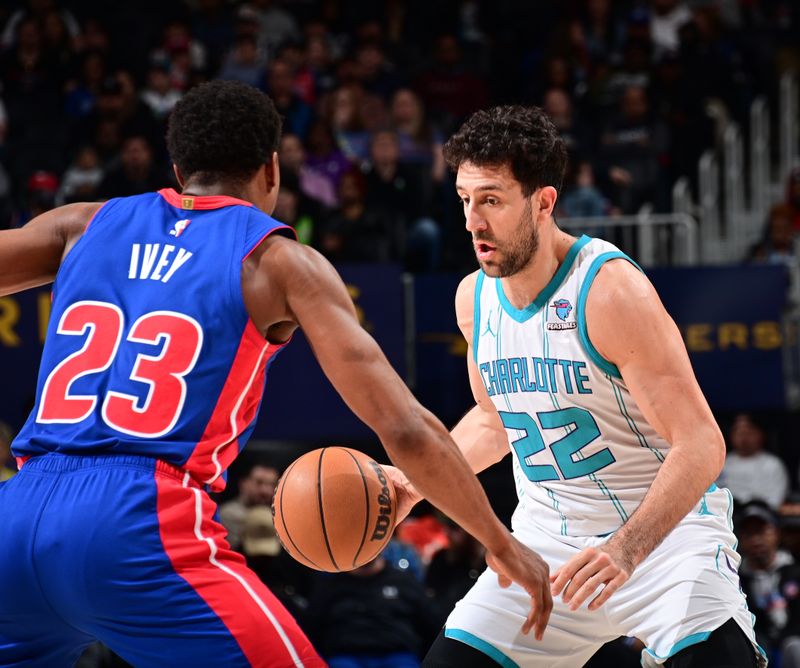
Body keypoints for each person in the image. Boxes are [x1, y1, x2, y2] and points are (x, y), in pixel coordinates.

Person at [0, 80, 551, 667]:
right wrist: (499, 540)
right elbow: (407, 429)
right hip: (136, 522)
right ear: (271, 170)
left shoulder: (81, 225)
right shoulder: (277, 259)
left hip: (16, 512)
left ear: (178, 166)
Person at [387, 105, 763, 667]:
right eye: (465, 200)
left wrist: (626, 549)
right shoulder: (474, 298)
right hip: (545, 545)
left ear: (543, 202)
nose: (472, 222)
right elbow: (495, 420)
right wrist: (410, 483)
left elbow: (702, 443)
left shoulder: (610, 291)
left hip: (662, 541)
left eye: (491, 199)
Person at [718, 412, 789, 509]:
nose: (744, 438)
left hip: (761, 516)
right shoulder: (721, 464)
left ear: (761, 435)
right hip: (727, 514)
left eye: (749, 432)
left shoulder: (773, 464)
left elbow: (775, 500)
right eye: (739, 433)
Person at [218, 462, 279, 551]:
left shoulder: (281, 515)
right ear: (243, 483)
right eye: (259, 482)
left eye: (271, 484)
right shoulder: (227, 514)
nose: (265, 490)